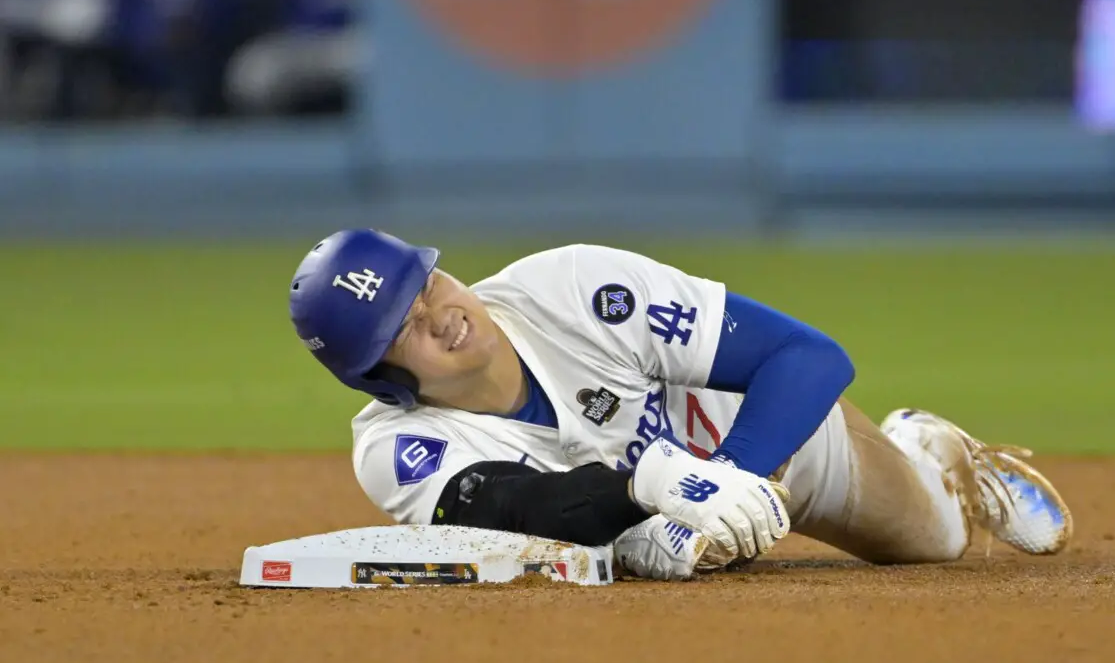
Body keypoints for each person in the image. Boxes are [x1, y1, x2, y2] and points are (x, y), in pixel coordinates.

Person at [288, 229, 1073, 581]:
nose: (441, 313)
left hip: (769, 439)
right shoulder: (396, 448)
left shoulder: (573, 288)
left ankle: (928, 447)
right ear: (377, 378)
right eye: (405, 326)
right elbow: (522, 508)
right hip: (663, 503)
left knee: (934, 540)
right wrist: (658, 490)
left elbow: (809, 357)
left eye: (427, 283)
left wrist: (726, 477)